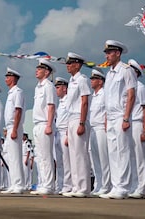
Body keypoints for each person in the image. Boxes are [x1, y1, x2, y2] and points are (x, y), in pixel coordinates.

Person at [100, 40, 136, 199]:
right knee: (113, 152)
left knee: (123, 151)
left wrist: (127, 117)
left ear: (118, 53)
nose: (107, 55)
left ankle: (123, 187)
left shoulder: (126, 70)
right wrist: (107, 118)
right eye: (106, 53)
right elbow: (108, 98)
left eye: (109, 52)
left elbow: (131, 95)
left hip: (122, 115)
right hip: (111, 116)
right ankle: (116, 186)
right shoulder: (108, 74)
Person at [63, 52, 91, 198]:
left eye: (70, 63)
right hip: (71, 119)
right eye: (67, 63)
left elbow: (84, 102)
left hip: (79, 119)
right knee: (73, 155)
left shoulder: (82, 80)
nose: (68, 66)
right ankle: (76, 186)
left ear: (78, 65)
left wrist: (82, 122)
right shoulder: (71, 80)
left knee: (80, 154)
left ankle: (84, 187)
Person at [30, 59, 57, 195]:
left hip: (45, 123)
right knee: (39, 156)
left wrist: (49, 124)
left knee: (46, 156)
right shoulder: (38, 86)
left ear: (46, 72)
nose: (37, 70)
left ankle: (49, 184)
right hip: (37, 125)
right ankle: (42, 183)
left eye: (40, 68)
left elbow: (51, 106)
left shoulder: (48, 86)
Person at [1, 67, 26, 194]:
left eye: (8, 77)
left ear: (14, 78)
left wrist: (15, 129)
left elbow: (18, 111)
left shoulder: (18, 92)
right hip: (10, 127)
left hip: (14, 127)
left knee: (16, 157)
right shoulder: (11, 93)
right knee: (11, 158)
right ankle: (14, 183)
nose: (6, 79)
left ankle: (19, 184)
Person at [127, 59, 145, 199]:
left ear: (135, 72)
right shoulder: (130, 88)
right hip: (130, 124)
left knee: (140, 157)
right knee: (131, 157)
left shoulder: (140, 87)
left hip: (138, 123)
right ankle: (134, 186)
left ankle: (142, 188)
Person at [88, 68, 111, 196]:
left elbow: (107, 110)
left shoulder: (104, 94)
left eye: (94, 79)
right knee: (95, 159)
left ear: (100, 81)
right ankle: (98, 184)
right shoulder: (94, 96)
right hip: (93, 128)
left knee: (104, 158)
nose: (91, 81)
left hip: (102, 128)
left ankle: (106, 185)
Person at [54, 77, 71, 194]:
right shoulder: (59, 103)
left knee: (67, 161)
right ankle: (60, 184)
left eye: (58, 87)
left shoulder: (68, 101)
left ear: (65, 89)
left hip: (65, 132)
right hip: (57, 133)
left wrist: (69, 134)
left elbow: (70, 118)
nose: (56, 90)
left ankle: (68, 185)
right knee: (59, 162)